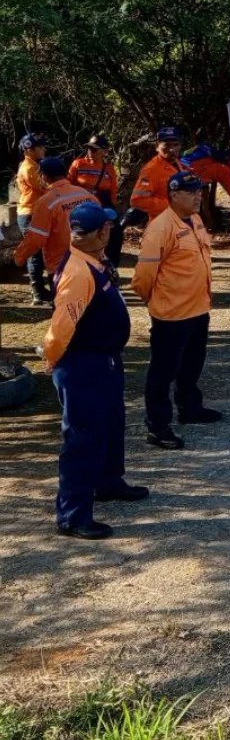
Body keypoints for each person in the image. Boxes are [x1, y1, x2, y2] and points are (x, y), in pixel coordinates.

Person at [44, 203, 149, 539]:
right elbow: (61, 326)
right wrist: (53, 360)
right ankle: (72, 516)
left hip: (103, 360)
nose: (111, 230)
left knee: (111, 424)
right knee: (83, 438)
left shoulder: (92, 259)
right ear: (101, 232)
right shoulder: (78, 273)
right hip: (83, 365)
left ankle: (108, 482)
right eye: (107, 227)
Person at [132, 172, 219, 450]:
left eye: (199, 191)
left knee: (192, 363)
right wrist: (153, 300)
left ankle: (190, 408)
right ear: (173, 195)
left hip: (198, 308)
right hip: (171, 314)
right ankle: (157, 427)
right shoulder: (160, 228)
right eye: (191, 192)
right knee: (163, 371)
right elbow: (143, 277)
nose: (198, 197)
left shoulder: (195, 220)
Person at [14, 157, 99, 299]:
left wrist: (19, 257)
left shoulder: (46, 202)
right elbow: (102, 226)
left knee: (66, 307)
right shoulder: (86, 195)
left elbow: (36, 239)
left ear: (44, 176)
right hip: (91, 261)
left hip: (62, 265)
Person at [68, 134, 125, 265]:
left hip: (103, 204)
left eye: (94, 149)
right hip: (81, 205)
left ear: (104, 152)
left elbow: (113, 190)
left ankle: (111, 265)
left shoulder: (109, 168)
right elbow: (68, 183)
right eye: (89, 148)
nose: (90, 151)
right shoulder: (78, 164)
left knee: (116, 233)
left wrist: (112, 207)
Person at [15, 132, 50, 305]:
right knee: (35, 253)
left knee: (40, 253)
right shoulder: (29, 168)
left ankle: (40, 290)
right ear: (30, 149)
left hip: (35, 213)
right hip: (29, 214)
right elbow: (45, 187)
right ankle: (37, 292)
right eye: (40, 147)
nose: (44, 149)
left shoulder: (34, 165)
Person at [129, 126, 189, 223]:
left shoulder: (178, 163)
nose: (172, 149)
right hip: (162, 224)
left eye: (176, 145)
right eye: (167, 145)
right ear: (157, 146)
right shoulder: (151, 169)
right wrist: (171, 207)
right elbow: (138, 200)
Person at [181, 144, 230, 222]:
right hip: (190, 179)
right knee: (202, 199)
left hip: (179, 169)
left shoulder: (208, 149)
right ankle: (207, 224)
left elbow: (185, 153)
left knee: (203, 195)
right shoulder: (223, 169)